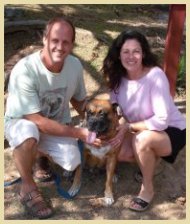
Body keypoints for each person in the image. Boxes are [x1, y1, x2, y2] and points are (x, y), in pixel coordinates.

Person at [4, 17, 101, 219]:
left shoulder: (74, 65)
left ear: (72, 45)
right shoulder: (26, 70)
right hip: (23, 123)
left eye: (66, 42)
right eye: (55, 40)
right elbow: (36, 120)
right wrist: (79, 133)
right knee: (30, 133)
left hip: (55, 125)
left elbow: (79, 101)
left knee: (72, 160)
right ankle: (27, 187)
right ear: (45, 39)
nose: (60, 46)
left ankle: (38, 156)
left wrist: (97, 121)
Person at [101, 30, 186, 212]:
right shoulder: (118, 76)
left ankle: (147, 188)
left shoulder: (155, 76)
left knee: (142, 141)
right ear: (118, 54)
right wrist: (122, 121)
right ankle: (152, 159)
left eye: (136, 51)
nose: (131, 56)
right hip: (141, 128)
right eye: (126, 51)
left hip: (171, 130)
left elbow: (162, 120)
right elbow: (115, 102)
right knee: (119, 150)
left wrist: (128, 126)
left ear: (144, 53)